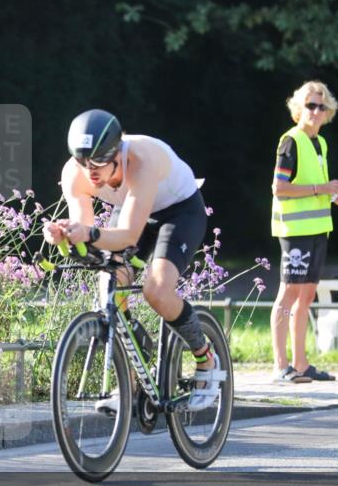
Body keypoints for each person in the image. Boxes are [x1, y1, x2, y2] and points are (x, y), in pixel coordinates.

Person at [43, 109, 221, 411]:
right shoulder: (75, 172)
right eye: (83, 161)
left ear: (117, 152)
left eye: (99, 161)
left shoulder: (142, 159)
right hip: (131, 210)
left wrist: (88, 233)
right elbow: (86, 229)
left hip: (178, 211)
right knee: (108, 290)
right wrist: (64, 234)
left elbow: (126, 235)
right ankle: (133, 379)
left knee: (158, 290)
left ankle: (206, 355)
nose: (91, 171)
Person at [270, 80, 338, 383]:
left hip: (318, 229)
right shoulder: (290, 140)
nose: (316, 111)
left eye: (321, 106)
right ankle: (280, 366)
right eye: (310, 105)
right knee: (288, 294)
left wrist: (333, 194)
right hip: (294, 230)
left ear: (328, 112)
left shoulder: (320, 143)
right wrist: (322, 188)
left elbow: (317, 185)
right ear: (299, 109)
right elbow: (279, 188)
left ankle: (301, 364)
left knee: (307, 296)